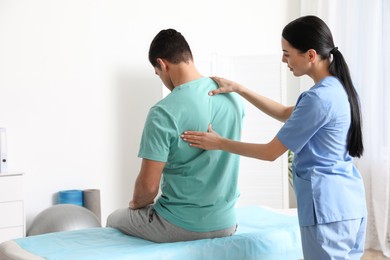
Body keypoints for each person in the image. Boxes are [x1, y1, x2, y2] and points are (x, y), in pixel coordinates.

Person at [181, 15, 367, 259]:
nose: (283, 59)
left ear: (311, 55)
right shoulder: (339, 89)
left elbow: (270, 153)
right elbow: (284, 113)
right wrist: (240, 89)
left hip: (327, 208)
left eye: (287, 53)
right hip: (350, 202)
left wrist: (219, 142)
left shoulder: (318, 98)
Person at [106, 29, 245, 243]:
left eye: (158, 73)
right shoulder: (231, 97)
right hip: (226, 223)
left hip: (179, 225)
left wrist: (135, 204)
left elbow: (148, 189)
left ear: (162, 64)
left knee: (114, 218)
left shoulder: (163, 112)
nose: (161, 78)